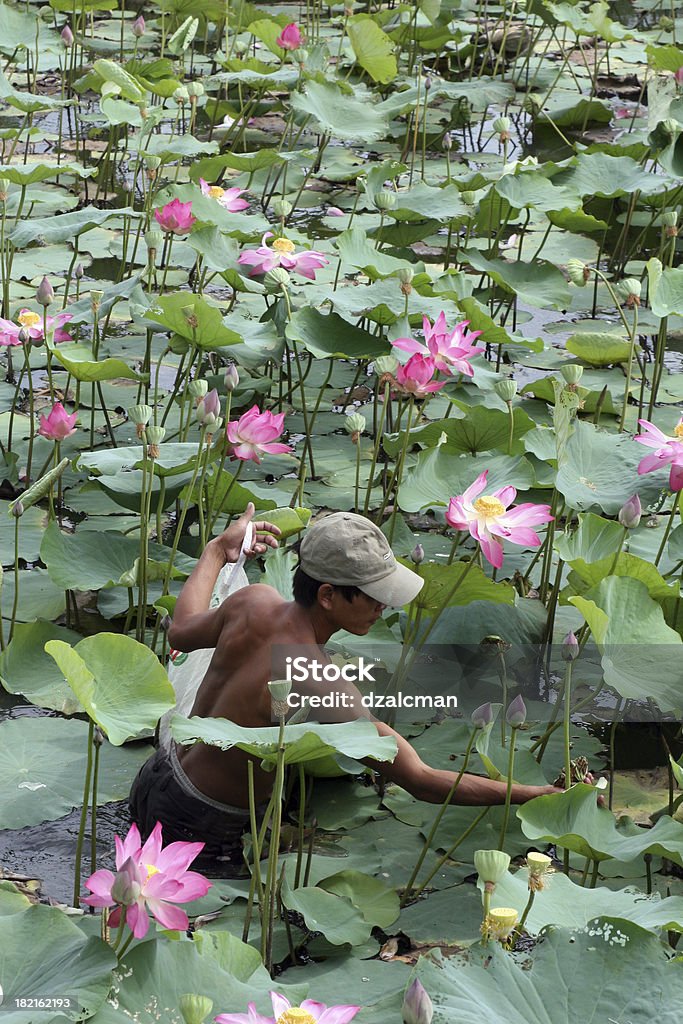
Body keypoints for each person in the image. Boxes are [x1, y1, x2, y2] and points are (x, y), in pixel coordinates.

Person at [129, 505, 561, 870]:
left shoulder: (253, 600)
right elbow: (422, 781)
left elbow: (180, 631)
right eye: (373, 595)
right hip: (205, 824)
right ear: (328, 596)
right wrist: (534, 795)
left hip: (159, 776)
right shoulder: (317, 680)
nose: (384, 606)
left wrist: (215, 552)